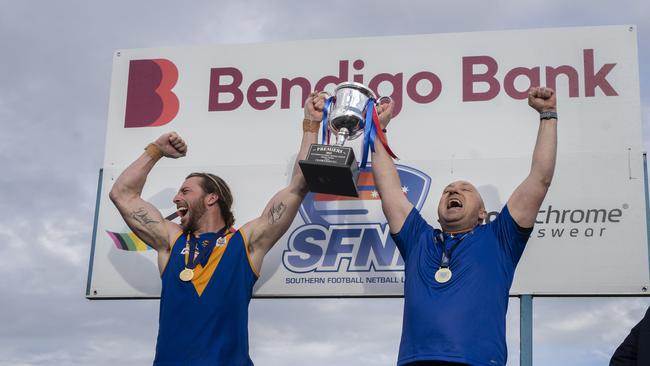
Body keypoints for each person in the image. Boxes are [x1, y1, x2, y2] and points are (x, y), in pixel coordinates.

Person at [109, 91, 327, 365]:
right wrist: (155, 151)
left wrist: (311, 124)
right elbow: (123, 194)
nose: (176, 198)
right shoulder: (171, 241)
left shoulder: (246, 243)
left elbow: (299, 185)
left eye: (185, 191)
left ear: (211, 198)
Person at [371, 86, 558, 365]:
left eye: (464, 189)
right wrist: (378, 129)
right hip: (414, 361)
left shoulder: (500, 239)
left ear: (482, 213)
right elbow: (389, 188)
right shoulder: (418, 239)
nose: (453, 191)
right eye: (448, 189)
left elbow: (540, 178)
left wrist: (548, 115)